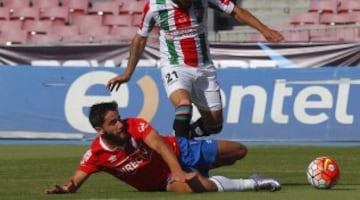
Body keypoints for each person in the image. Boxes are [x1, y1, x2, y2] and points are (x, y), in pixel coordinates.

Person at [107, 0, 284, 139]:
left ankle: (187, 135)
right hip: (175, 66)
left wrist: (265, 30)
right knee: (184, 106)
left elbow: (235, 11)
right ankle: (179, 155)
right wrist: (128, 73)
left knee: (215, 125)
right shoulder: (155, 6)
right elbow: (140, 39)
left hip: (204, 66)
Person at [45, 101, 281, 194]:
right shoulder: (95, 155)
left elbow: (160, 146)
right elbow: (75, 182)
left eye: (119, 118)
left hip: (178, 149)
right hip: (163, 180)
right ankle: (254, 183)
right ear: (100, 130)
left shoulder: (134, 125)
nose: (120, 124)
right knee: (201, 188)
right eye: (113, 122)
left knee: (239, 151)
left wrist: (178, 168)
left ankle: (201, 167)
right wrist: (65, 189)